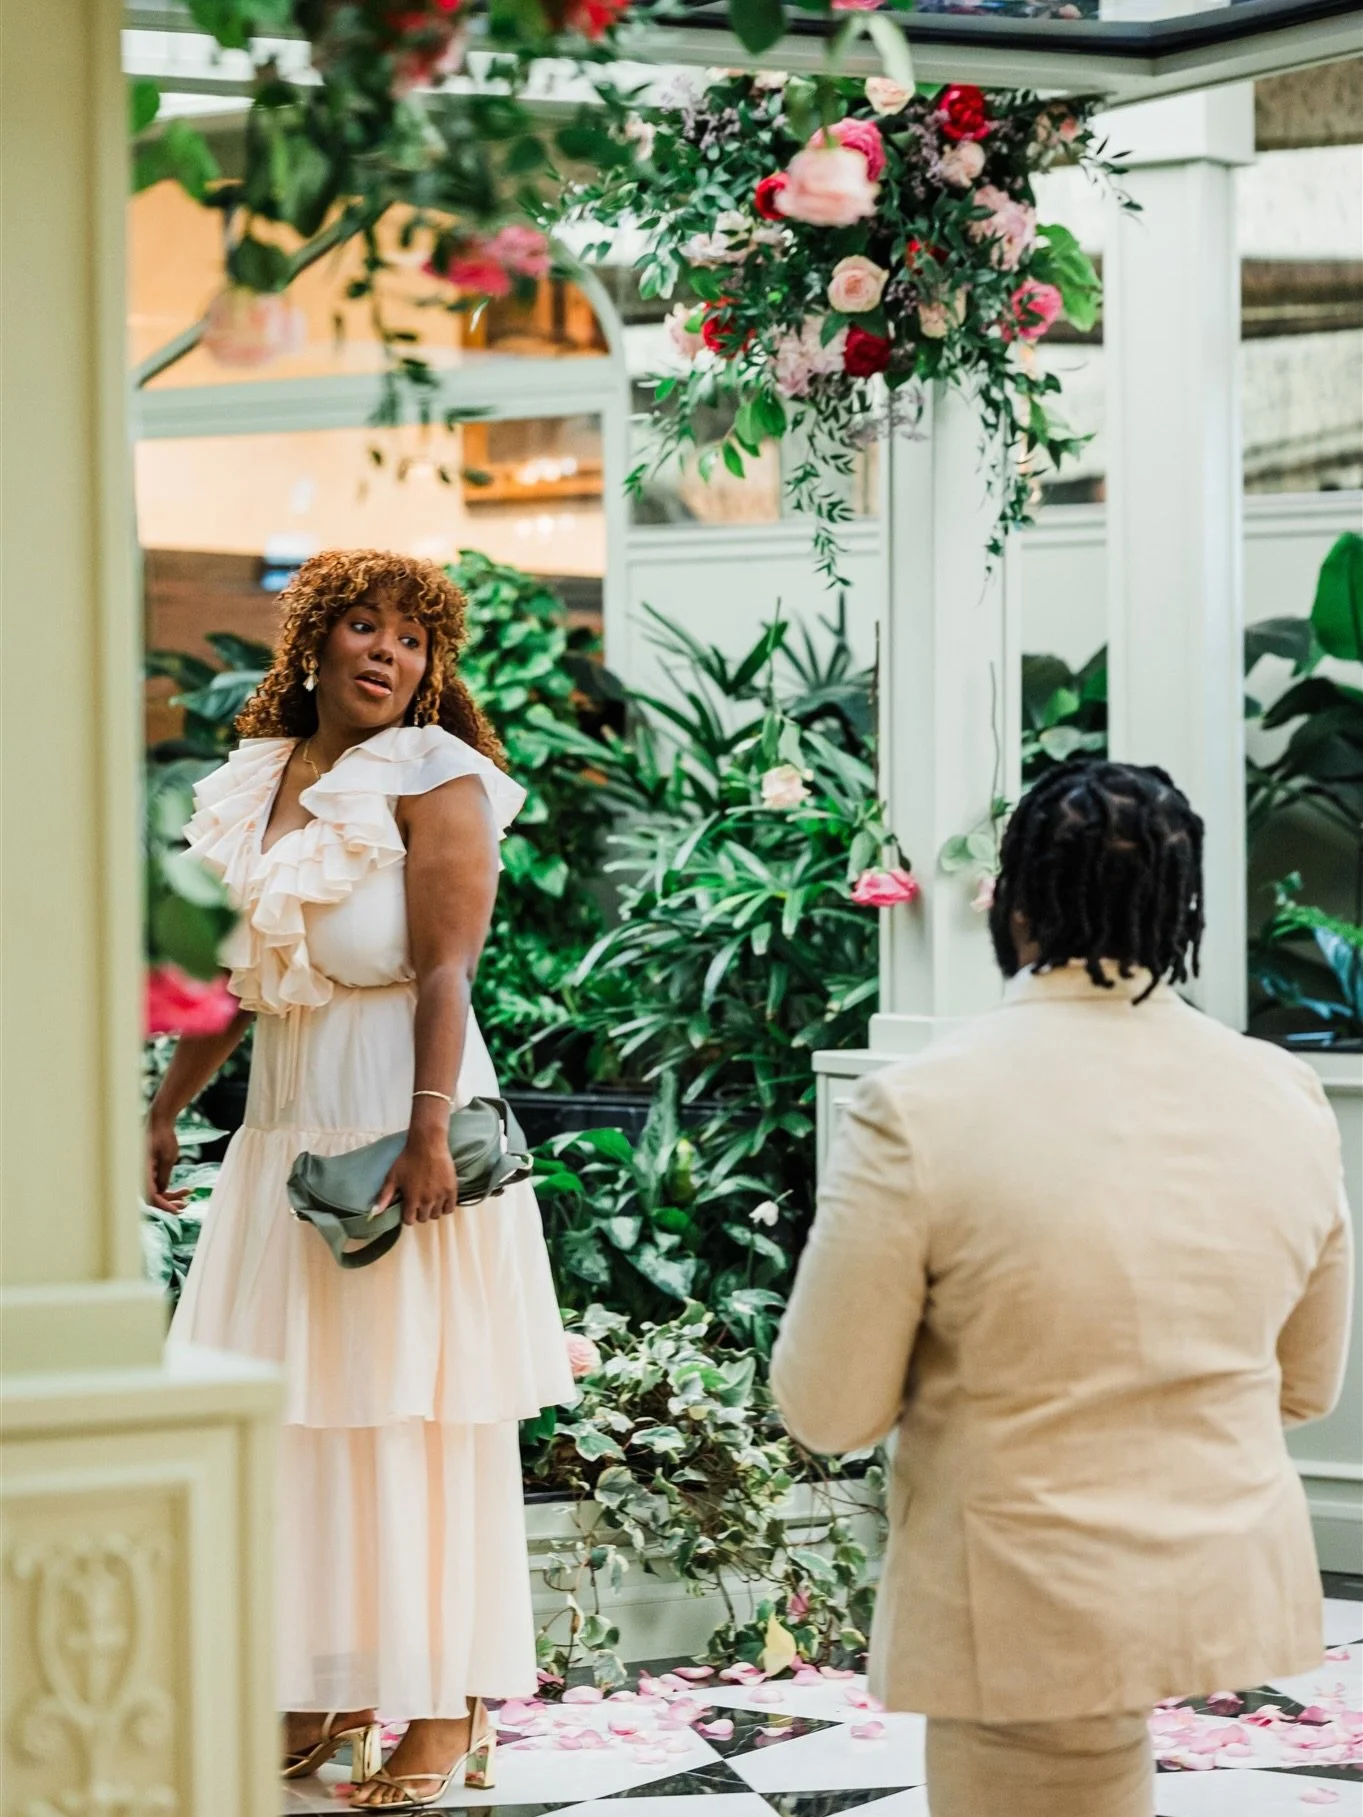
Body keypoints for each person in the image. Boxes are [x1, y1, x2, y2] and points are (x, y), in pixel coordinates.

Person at [771, 760, 1353, 1817]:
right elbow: (1305, 1385)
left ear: (1018, 900)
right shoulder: (1287, 1093)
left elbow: (828, 1405)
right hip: (1214, 1563)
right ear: (1185, 910)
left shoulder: (921, 1103)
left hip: (1014, 1587)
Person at [148, 550, 574, 1810]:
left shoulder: (434, 778)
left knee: (415, 1416)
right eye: (362, 627)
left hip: (400, 1120)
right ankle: (321, 1688)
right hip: (284, 1132)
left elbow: (447, 972)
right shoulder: (257, 780)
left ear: (430, 664)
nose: (386, 653)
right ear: (312, 645)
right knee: (297, 1417)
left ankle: (450, 1710)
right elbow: (230, 975)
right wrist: (164, 1111)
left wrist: (428, 1131)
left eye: (411, 637)